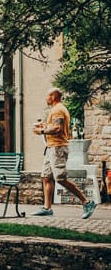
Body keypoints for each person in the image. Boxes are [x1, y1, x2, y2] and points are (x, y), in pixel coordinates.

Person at [33, 87, 96, 219]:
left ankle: (87, 202)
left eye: (47, 96)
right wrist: (44, 127)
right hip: (51, 147)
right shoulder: (56, 110)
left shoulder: (58, 110)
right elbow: (55, 127)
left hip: (58, 148)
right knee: (46, 177)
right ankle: (47, 208)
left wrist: (42, 131)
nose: (46, 98)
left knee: (60, 178)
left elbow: (57, 128)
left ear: (53, 96)